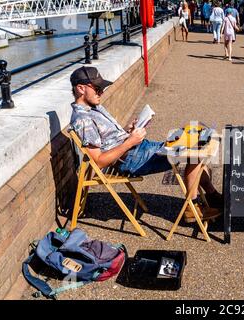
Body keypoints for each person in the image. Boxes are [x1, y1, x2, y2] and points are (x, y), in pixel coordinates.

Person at [69, 66, 223, 223]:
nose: (101, 92)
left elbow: (106, 141)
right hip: (132, 159)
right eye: (97, 88)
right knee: (194, 153)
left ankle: (213, 196)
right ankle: (193, 207)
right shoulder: (83, 120)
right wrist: (130, 142)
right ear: (81, 88)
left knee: (196, 138)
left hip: (139, 149)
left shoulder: (93, 107)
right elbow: (98, 160)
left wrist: (127, 131)